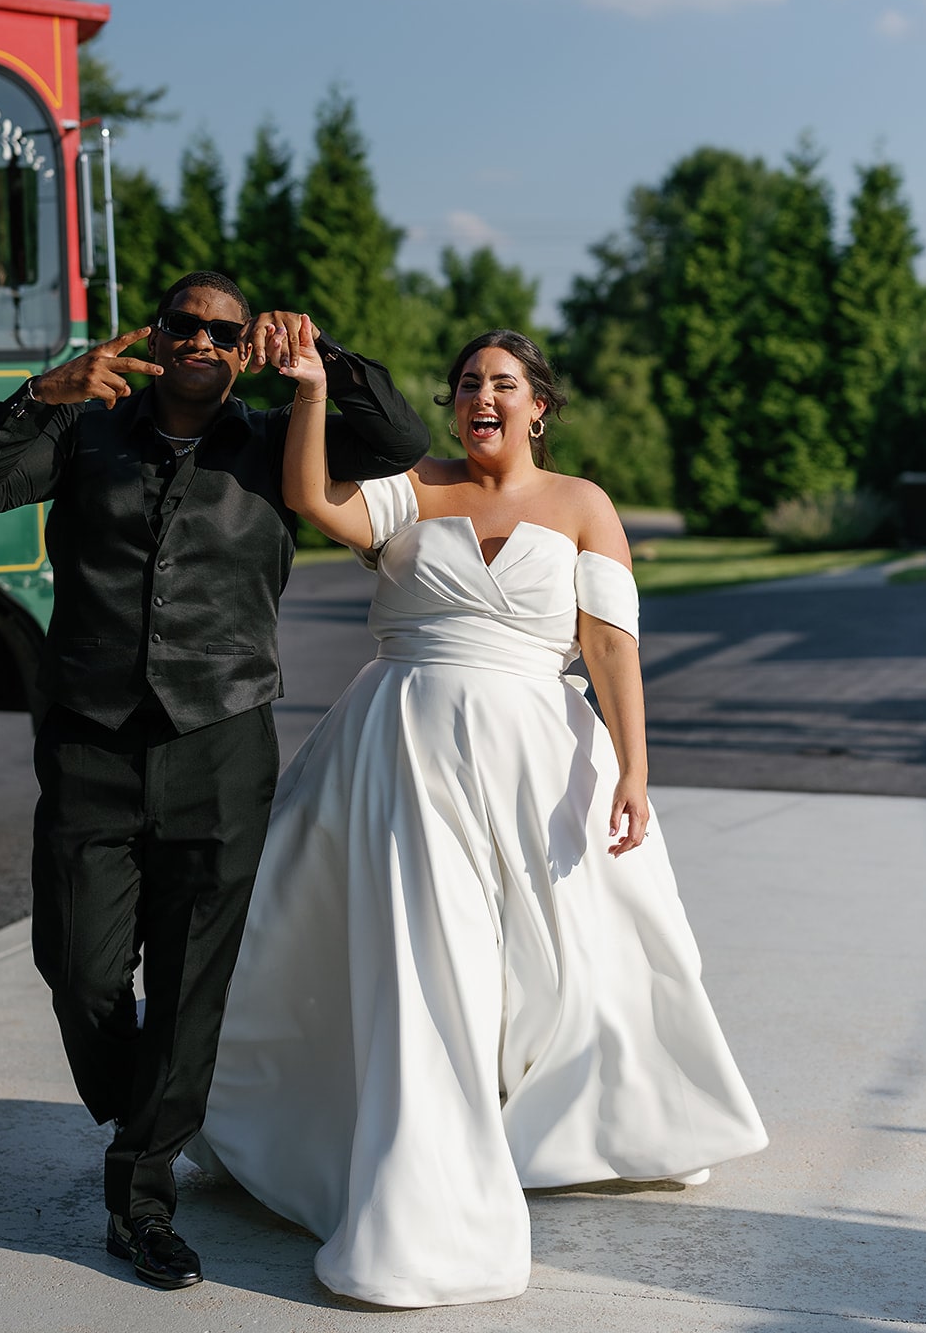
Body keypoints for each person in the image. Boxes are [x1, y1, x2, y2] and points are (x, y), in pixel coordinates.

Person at [190, 321, 768, 1307]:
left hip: (538, 759)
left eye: (501, 382)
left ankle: (573, 1115)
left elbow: (610, 648)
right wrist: (310, 390)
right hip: (401, 753)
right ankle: (418, 1185)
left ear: (537, 405)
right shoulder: (415, 486)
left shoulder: (583, 505)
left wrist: (633, 771)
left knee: (575, 959)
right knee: (424, 959)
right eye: (465, 383)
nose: (479, 397)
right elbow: (308, 499)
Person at [0, 273, 429, 1291]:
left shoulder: (275, 441)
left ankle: (141, 1193)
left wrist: (319, 364)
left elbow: (402, 441)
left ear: (243, 346)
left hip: (220, 740)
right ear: (157, 333)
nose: (199, 339)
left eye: (221, 329)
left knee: (194, 979)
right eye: (182, 323)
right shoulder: (86, 429)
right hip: (91, 742)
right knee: (77, 965)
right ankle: (147, 1104)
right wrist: (42, 394)